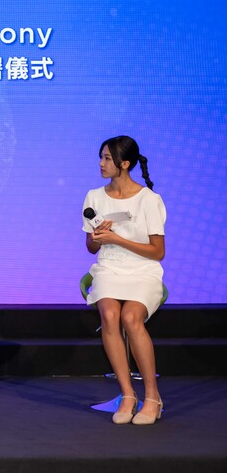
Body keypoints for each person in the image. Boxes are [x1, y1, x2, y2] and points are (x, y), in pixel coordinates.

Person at [83, 136, 166, 425]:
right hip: (109, 266)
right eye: (101, 157)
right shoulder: (94, 196)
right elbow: (91, 247)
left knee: (131, 318)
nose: (102, 163)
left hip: (143, 269)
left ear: (125, 164)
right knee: (109, 313)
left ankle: (153, 397)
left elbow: (158, 251)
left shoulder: (149, 200)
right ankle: (128, 394)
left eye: (107, 158)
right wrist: (98, 237)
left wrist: (118, 238)